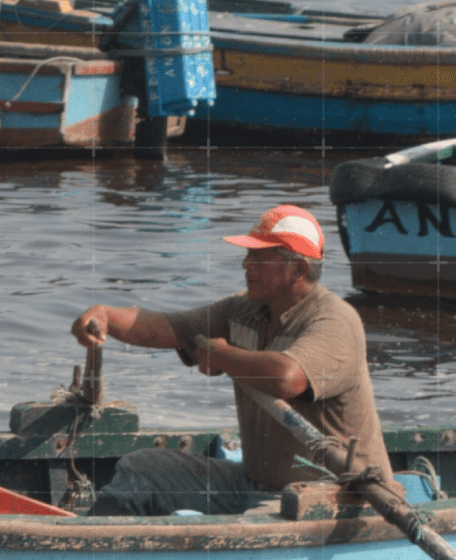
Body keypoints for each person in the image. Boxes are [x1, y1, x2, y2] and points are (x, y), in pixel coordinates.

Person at [70, 204, 395, 516]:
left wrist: (223, 355)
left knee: (272, 520)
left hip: (334, 496)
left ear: (298, 269)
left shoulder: (335, 322)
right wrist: (107, 317)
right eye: (248, 254)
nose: (246, 264)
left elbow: (287, 378)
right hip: (254, 483)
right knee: (142, 469)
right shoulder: (245, 309)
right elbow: (165, 328)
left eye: (259, 257)